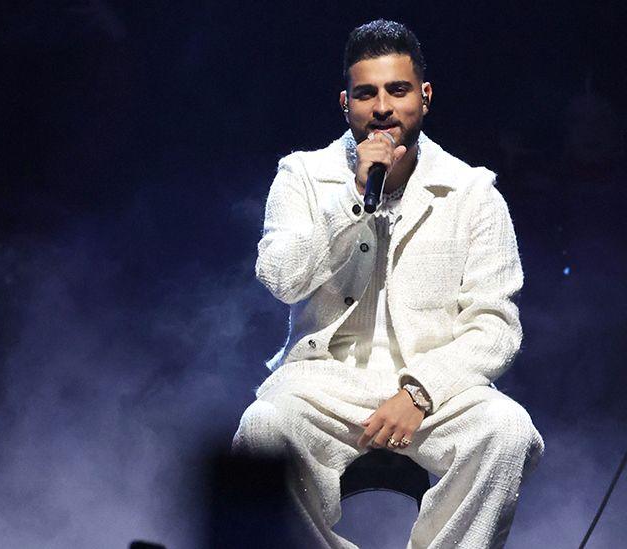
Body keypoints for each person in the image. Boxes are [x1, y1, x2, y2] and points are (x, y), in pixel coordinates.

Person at [232, 20, 544, 548]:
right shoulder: (303, 177)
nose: (381, 107)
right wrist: (353, 194)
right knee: (261, 434)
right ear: (345, 103)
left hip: (437, 382)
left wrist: (419, 391)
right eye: (366, 93)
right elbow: (282, 279)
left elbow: (495, 326)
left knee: (507, 431)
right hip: (326, 380)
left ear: (424, 97)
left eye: (397, 90)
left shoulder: (473, 192)